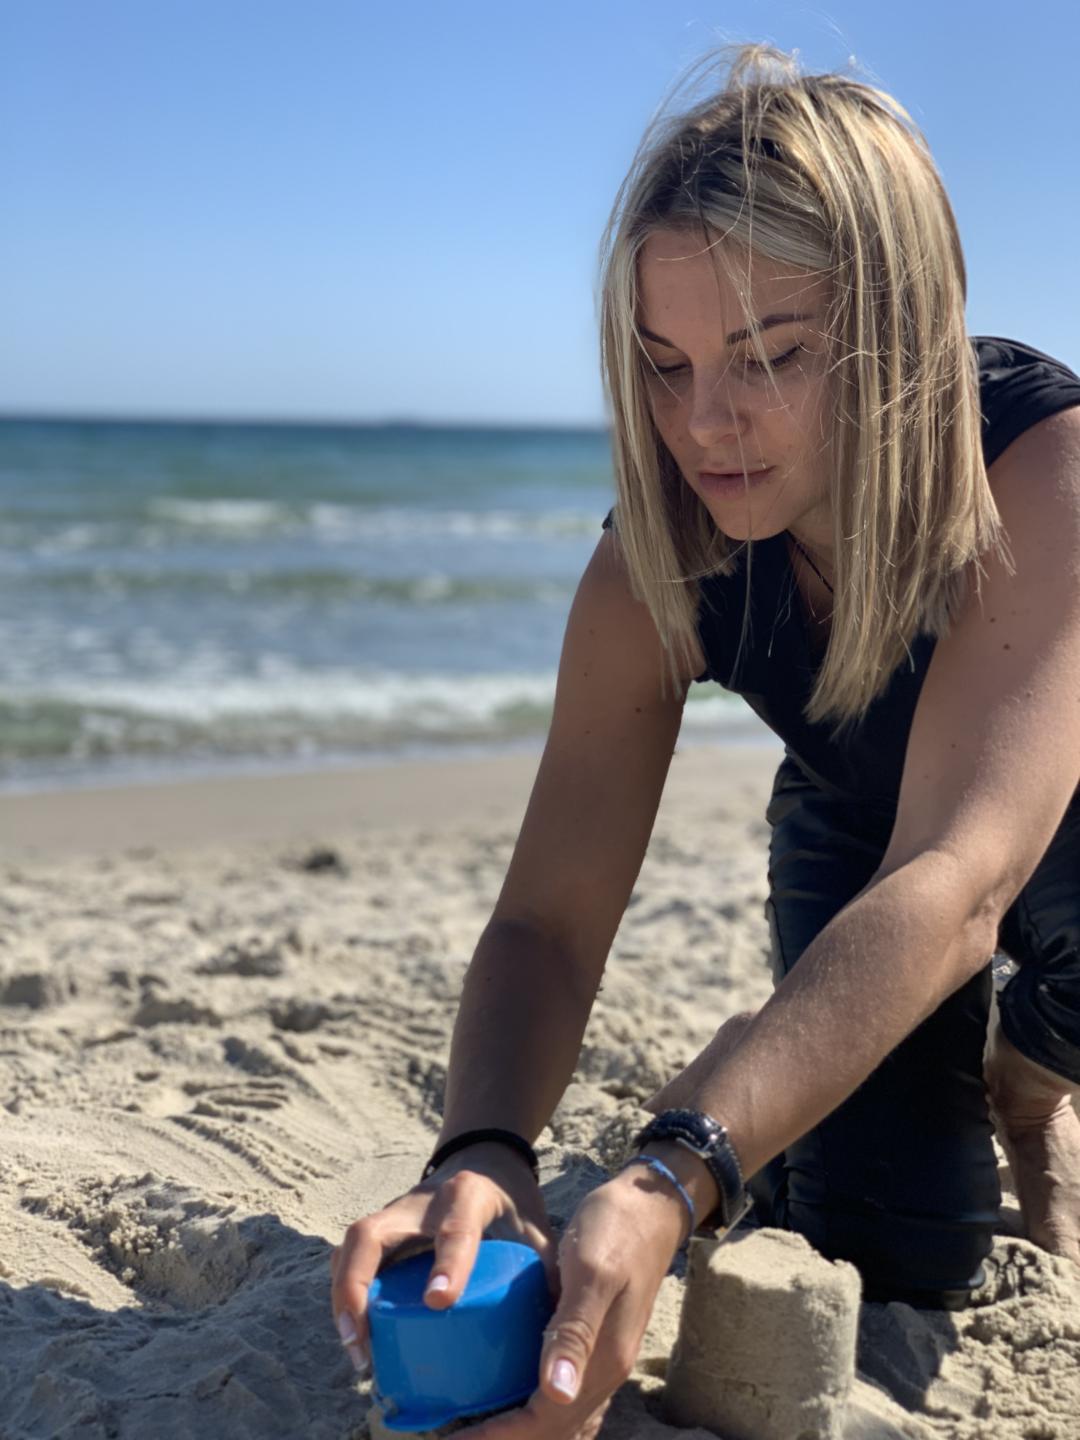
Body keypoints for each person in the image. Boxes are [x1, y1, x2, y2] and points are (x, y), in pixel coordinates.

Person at [331, 42, 1080, 1439]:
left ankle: (1033, 1082)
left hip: (1028, 830)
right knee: (899, 1253)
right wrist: (482, 1149)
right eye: (664, 365)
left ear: (902, 326)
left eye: (768, 355)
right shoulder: (661, 556)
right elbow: (548, 920)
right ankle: (817, 1073)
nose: (701, 424)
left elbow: (965, 875)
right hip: (864, 809)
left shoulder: (1045, 464)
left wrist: (679, 1164)